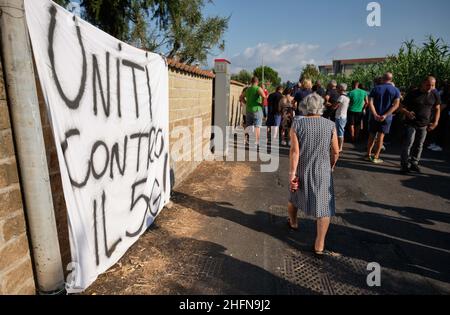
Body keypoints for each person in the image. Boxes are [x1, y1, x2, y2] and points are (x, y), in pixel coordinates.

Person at [288, 93, 340, 256]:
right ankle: (319, 244)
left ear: (305, 107)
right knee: (324, 207)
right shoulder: (330, 125)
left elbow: (295, 152)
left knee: (294, 197)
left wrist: (292, 173)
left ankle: (294, 222)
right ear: (321, 107)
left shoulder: (297, 125)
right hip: (322, 171)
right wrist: (331, 165)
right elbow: (336, 151)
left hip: (302, 168)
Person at [399, 76, 441, 174]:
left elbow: (438, 108)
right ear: (422, 83)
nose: (430, 87)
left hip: (424, 125)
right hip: (411, 124)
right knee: (408, 144)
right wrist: (407, 113)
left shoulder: (435, 93)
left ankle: (414, 163)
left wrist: (435, 122)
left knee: (419, 145)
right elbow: (401, 107)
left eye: (432, 85)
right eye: (428, 85)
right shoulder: (413, 93)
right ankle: (404, 166)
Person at [367, 72, 401, 164]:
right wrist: (385, 115)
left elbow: (370, 103)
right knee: (381, 137)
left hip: (375, 117)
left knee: (371, 135)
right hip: (386, 118)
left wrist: (375, 114)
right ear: (391, 79)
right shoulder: (395, 90)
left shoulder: (375, 88)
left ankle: (368, 155)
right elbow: (396, 105)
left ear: (382, 78)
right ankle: (376, 156)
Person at [245, 76, 267, 146]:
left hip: (248, 110)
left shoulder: (248, 89)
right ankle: (256, 142)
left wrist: (246, 103)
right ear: (257, 82)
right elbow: (264, 96)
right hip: (257, 109)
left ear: (251, 82)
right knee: (257, 126)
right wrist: (262, 104)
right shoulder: (258, 88)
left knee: (248, 126)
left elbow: (241, 97)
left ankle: (247, 140)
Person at [335, 83, 350, 152]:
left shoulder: (341, 97)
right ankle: (339, 146)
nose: (336, 89)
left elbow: (335, 106)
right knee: (340, 131)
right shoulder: (347, 96)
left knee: (340, 132)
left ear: (341, 89)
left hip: (340, 116)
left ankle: (340, 147)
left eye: (337, 87)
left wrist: (329, 105)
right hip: (344, 116)